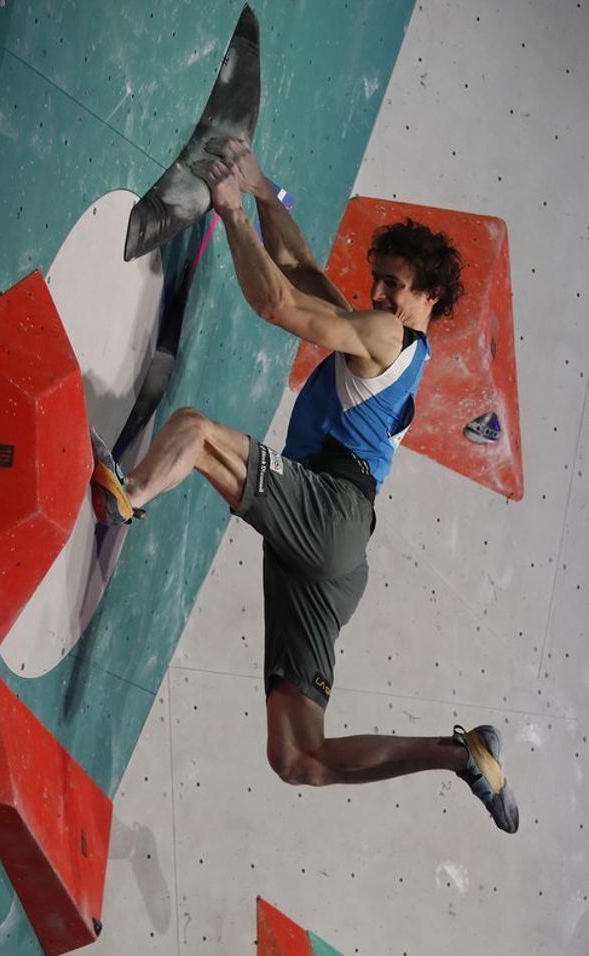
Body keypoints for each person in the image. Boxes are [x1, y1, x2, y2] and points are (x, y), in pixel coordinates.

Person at [90, 138, 518, 834]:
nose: (379, 292)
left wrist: (229, 212)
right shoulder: (389, 344)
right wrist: (261, 190)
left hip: (330, 510)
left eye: (396, 285)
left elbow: (278, 302)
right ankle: (458, 756)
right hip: (336, 556)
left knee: (195, 430)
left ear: (429, 297)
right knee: (298, 756)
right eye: (378, 278)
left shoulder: (385, 335)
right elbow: (301, 267)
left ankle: (126, 497)